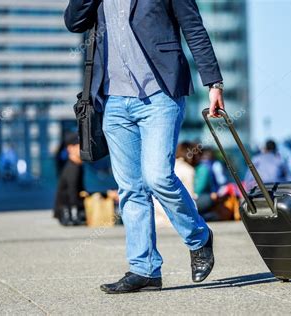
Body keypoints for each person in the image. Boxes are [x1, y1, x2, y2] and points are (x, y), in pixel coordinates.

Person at [65, 0, 224, 293]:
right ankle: (145, 268)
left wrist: (213, 83)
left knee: (158, 176)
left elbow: (193, 27)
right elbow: (74, 22)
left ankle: (199, 238)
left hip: (160, 93)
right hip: (113, 99)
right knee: (130, 187)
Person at [53, 133, 86, 226]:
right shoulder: (72, 168)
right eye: (79, 145)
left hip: (69, 210)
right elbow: (72, 193)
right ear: (70, 148)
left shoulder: (76, 165)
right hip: (67, 212)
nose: (82, 148)